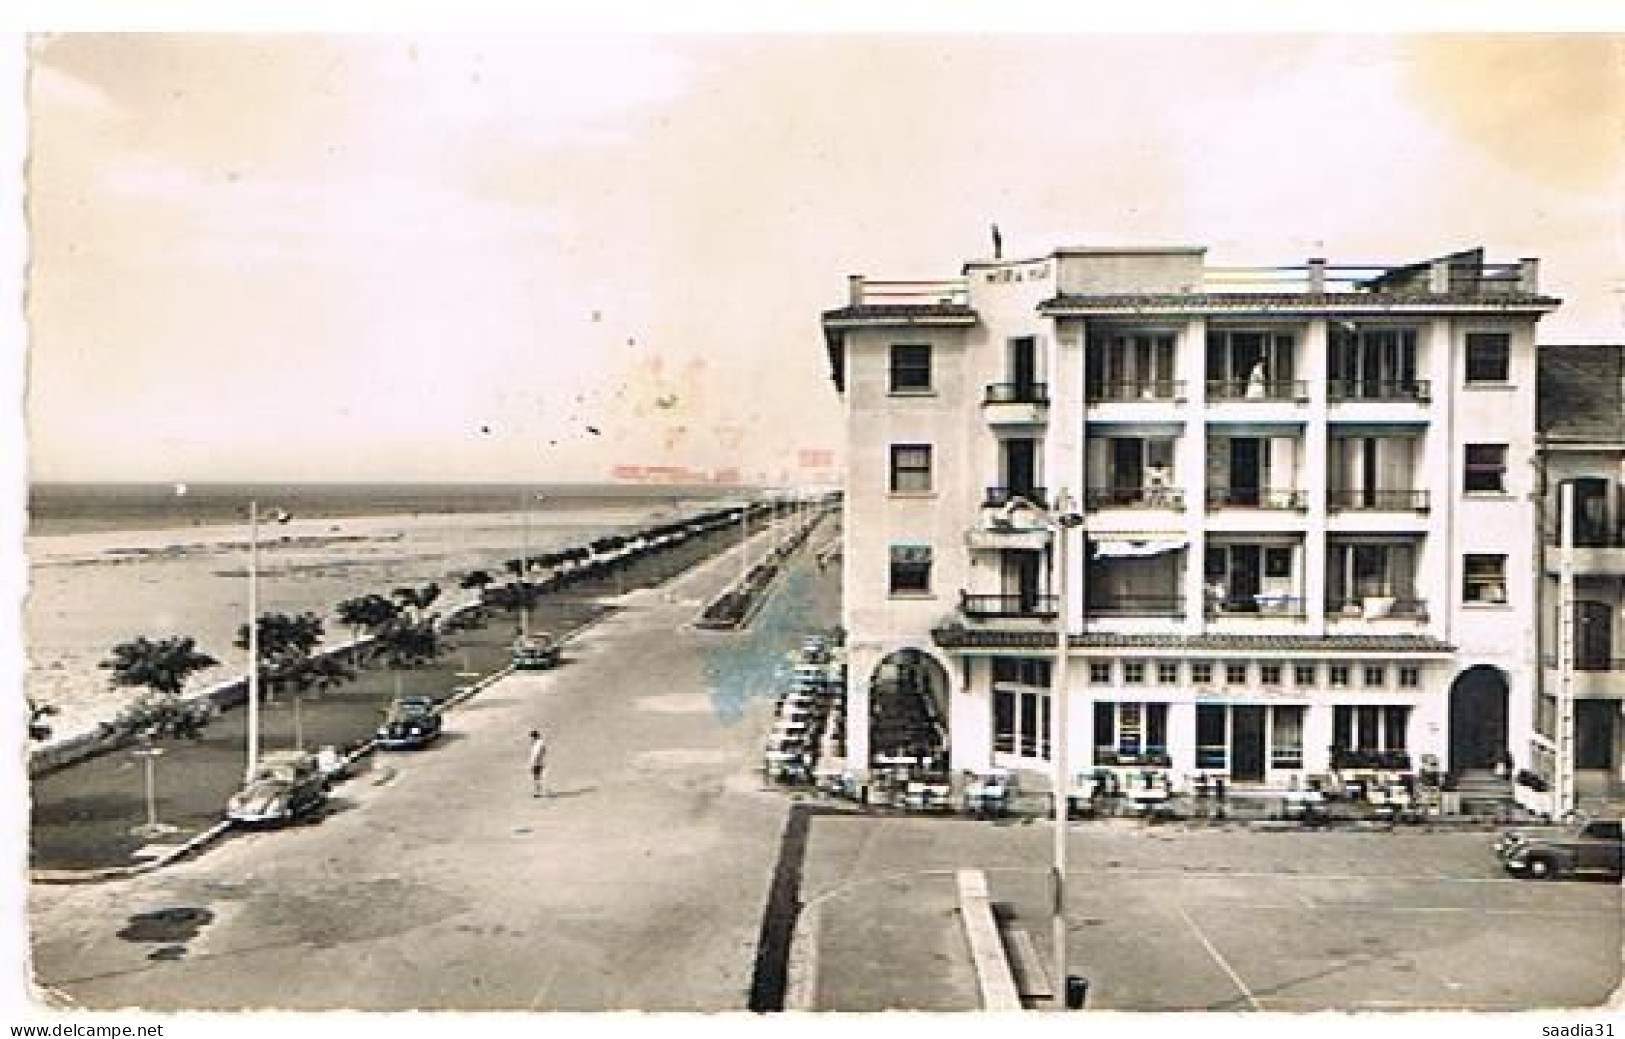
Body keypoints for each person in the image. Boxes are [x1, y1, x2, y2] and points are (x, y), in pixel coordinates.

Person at [528, 729, 548, 797]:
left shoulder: (539, 743)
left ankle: (539, 792)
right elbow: (544, 751)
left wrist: (533, 763)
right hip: (539, 762)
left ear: (534, 736)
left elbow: (537, 754)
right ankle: (539, 792)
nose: (531, 739)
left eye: (532, 737)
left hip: (537, 763)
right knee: (537, 778)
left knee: (537, 778)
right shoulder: (538, 743)